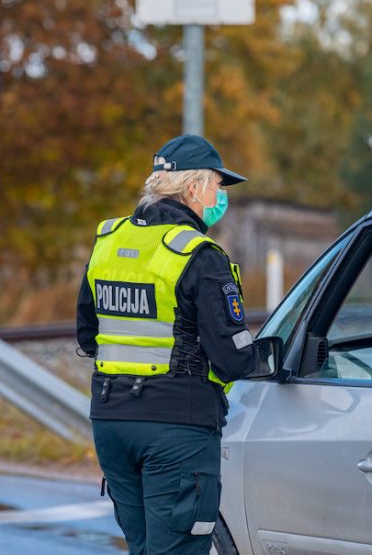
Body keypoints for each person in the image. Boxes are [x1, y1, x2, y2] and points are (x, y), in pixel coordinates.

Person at [76, 134, 257, 555]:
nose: (219, 197)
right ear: (193, 188)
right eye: (217, 185)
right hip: (177, 428)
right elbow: (233, 359)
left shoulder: (109, 241)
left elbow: (88, 335)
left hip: (111, 422)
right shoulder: (199, 255)